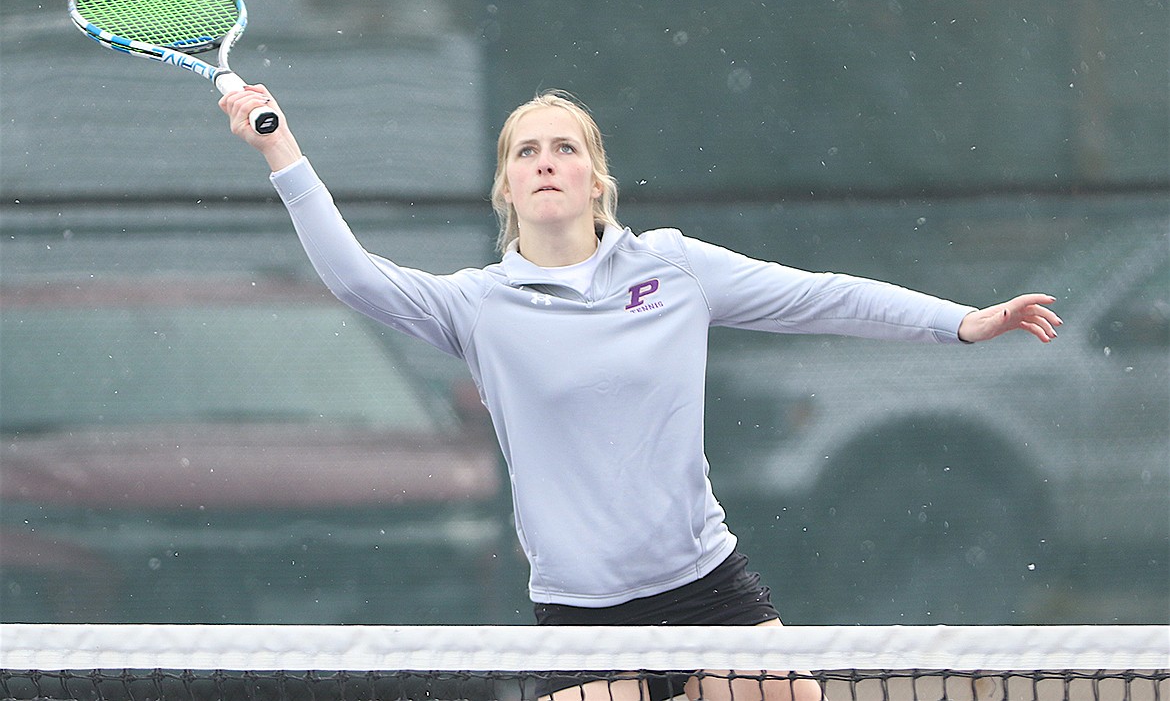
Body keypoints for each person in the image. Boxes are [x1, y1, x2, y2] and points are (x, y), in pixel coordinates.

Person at [221, 86, 1061, 701]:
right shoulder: (477, 306)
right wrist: (280, 152)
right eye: (526, 152)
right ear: (508, 189)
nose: (546, 161)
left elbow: (821, 295)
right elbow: (354, 277)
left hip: (706, 585)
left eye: (565, 148)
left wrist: (961, 321)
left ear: (596, 180)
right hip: (582, 609)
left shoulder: (675, 266)